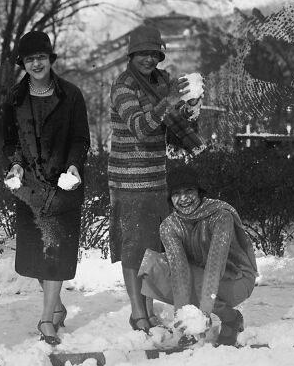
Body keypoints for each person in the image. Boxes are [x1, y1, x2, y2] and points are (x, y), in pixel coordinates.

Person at [108, 24, 206, 333]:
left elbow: (173, 125)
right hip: (128, 180)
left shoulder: (163, 81)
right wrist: (171, 100)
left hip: (156, 178)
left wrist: (191, 107)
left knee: (153, 249)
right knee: (133, 249)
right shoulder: (123, 85)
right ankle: (138, 313)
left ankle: (148, 311)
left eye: (154, 53)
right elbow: (140, 127)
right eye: (142, 54)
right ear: (131, 55)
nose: (149, 59)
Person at [3, 30, 90, 346]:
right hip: (29, 189)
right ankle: (57, 305)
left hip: (63, 185)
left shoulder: (71, 95)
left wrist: (74, 165)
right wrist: (13, 164)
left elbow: (81, 138)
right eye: (29, 59)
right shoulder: (13, 98)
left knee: (56, 253)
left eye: (41, 57)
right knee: (37, 255)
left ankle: (45, 320)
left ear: (50, 59)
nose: (36, 63)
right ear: (23, 63)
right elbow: (9, 141)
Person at [138, 164, 258, 346]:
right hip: (199, 278)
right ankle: (227, 318)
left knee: (197, 280)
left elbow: (215, 265)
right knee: (154, 265)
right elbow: (180, 271)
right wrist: (184, 318)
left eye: (189, 191)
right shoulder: (169, 226)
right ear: (170, 198)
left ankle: (228, 318)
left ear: (199, 192)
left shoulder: (220, 216)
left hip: (235, 279)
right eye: (177, 193)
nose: (183, 198)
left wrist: (203, 315)